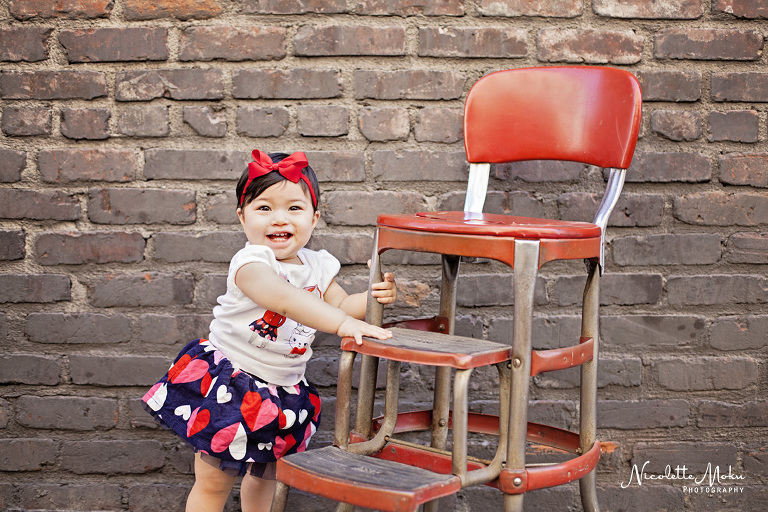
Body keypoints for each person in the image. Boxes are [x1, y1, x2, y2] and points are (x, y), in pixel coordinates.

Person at [142, 150, 397, 512]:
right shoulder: (250, 263)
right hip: (233, 383)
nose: (280, 218)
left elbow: (339, 307)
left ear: (315, 217)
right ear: (242, 217)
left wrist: (373, 297)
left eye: (294, 208)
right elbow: (284, 299)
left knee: (265, 482)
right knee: (214, 482)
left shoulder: (318, 266)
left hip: (283, 390)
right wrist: (342, 324)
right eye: (264, 208)